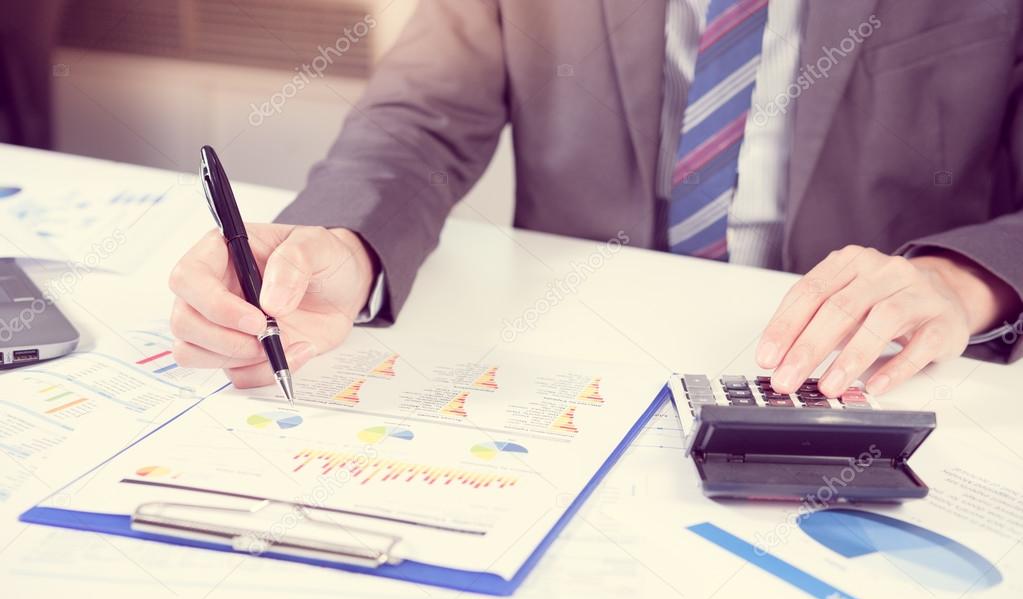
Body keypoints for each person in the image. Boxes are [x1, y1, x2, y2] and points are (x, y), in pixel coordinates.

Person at [169, 0, 1023, 398]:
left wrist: (960, 282)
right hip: (576, 349)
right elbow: (422, 117)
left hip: (880, 375)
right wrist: (345, 244)